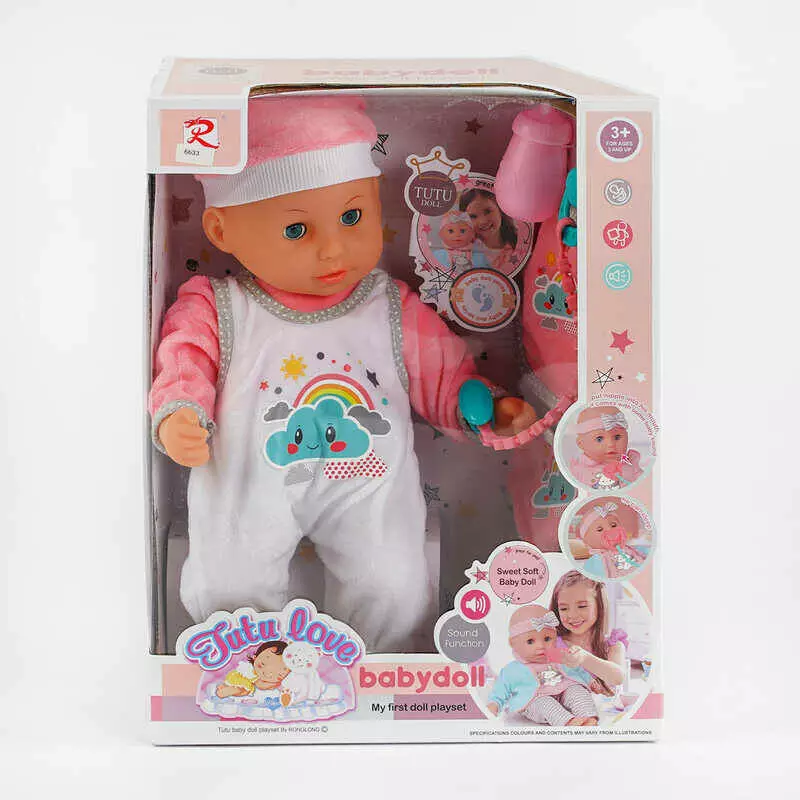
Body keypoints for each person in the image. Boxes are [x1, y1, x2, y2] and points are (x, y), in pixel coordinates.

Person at [149, 94, 537, 652]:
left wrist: (484, 406)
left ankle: (375, 675)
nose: (333, 249)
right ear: (221, 229)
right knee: (229, 578)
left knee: (392, 581)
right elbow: (184, 360)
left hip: (367, 478)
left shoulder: (389, 306)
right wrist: (180, 413)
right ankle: (248, 663)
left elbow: (443, 373)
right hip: (249, 474)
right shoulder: (218, 306)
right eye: (297, 231)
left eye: (352, 217)